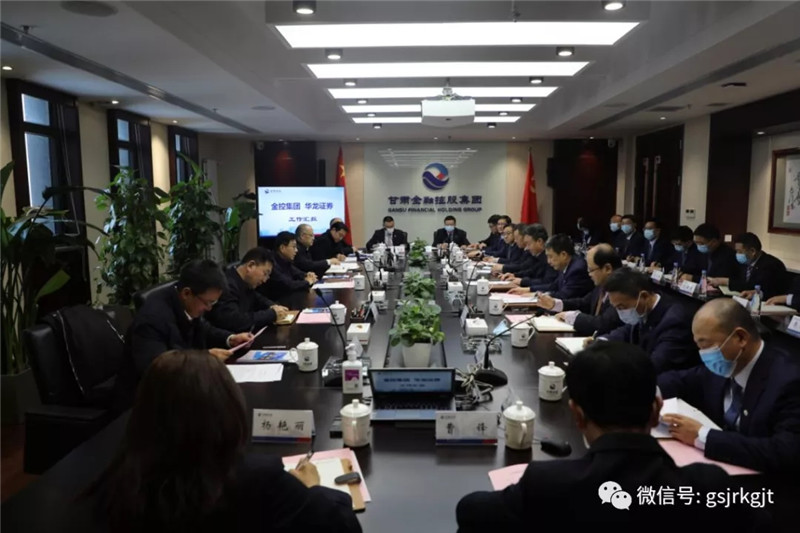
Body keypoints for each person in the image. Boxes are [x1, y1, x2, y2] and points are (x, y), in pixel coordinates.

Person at [456, 341, 763, 532]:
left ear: (577, 415)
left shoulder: (547, 482)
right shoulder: (709, 487)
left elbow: (470, 509)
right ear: (656, 409)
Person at [89, 350, 362, 533]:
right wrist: (310, 489)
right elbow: (341, 525)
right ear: (228, 408)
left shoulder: (116, 488)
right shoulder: (254, 480)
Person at [658, 298, 800, 475]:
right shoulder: (725, 364)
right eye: (698, 346)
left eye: (706, 345)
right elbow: (680, 380)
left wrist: (702, 436)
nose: (703, 354)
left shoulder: (789, 381)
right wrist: (650, 391)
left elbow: (785, 452)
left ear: (741, 338)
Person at [115, 260, 253, 409]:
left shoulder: (186, 302)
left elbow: (204, 328)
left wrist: (230, 339)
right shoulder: (153, 318)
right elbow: (157, 368)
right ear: (187, 293)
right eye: (208, 303)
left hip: (181, 388)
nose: (209, 309)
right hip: (147, 401)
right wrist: (203, 358)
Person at [600, 268, 699, 373]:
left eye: (621, 307)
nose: (620, 312)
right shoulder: (644, 309)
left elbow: (656, 365)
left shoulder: (675, 322)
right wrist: (602, 342)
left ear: (644, 296)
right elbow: (628, 330)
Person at [532, 244, 623, 336]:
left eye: (591, 270)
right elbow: (583, 303)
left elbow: (604, 323)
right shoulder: (602, 285)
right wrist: (555, 304)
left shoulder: (622, 289)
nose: (589, 274)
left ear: (607, 268)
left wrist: (574, 317)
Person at [206, 247, 289, 332]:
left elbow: (257, 298)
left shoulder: (245, 282)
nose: (265, 280)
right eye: (265, 273)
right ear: (250, 266)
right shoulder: (228, 285)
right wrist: (271, 314)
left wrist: (273, 306)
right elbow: (234, 321)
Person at [509, 234, 593, 299]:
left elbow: (563, 295)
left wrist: (536, 295)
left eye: (550, 256)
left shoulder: (577, 269)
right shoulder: (565, 264)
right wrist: (529, 289)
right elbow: (553, 286)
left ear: (563, 255)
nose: (548, 261)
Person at [706, 232, 788, 299]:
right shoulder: (745, 263)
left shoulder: (771, 265)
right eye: (736, 251)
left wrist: (726, 281)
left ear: (752, 251)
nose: (737, 254)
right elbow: (740, 281)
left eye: (740, 252)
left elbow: (754, 287)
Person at [260, 231, 316, 303]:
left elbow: (298, 273)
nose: (296, 250)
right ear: (282, 248)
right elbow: (289, 284)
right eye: (293, 247)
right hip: (275, 303)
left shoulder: (285, 261)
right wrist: (307, 282)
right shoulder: (271, 263)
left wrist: (307, 275)